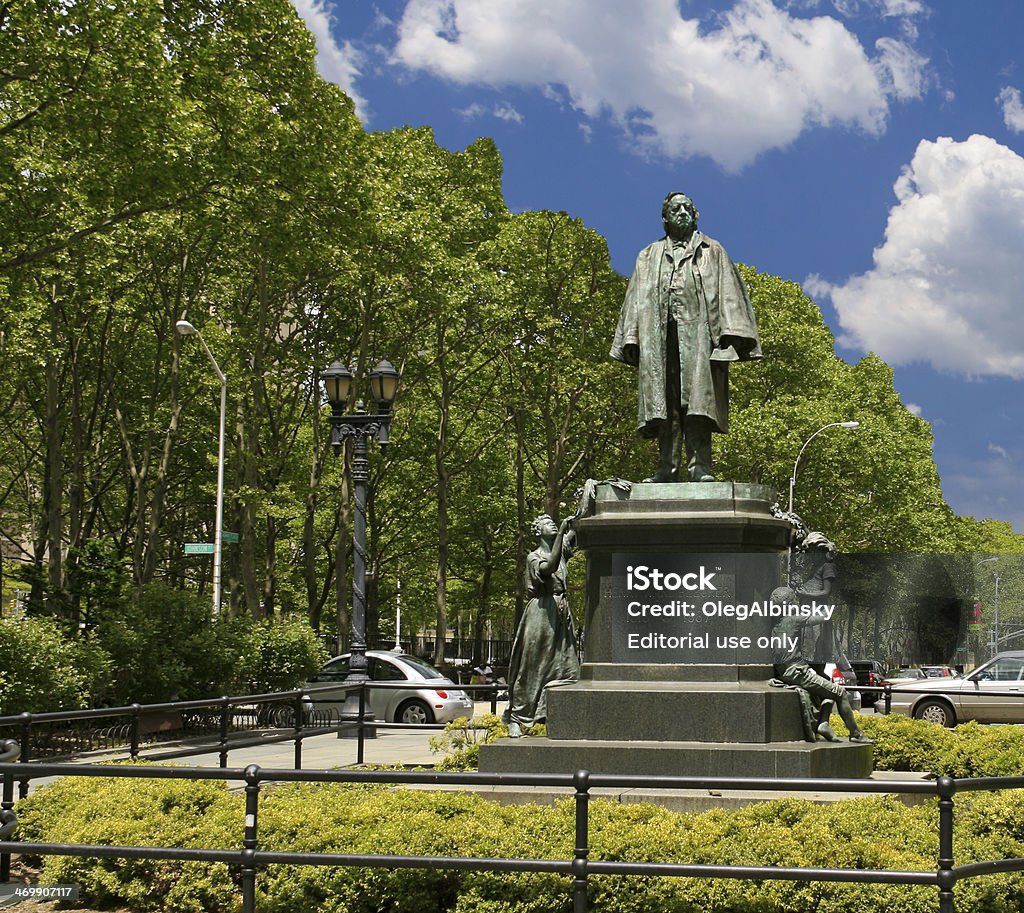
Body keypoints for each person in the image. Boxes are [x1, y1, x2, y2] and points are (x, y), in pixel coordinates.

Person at [610, 192, 761, 482]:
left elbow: (729, 293)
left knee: (697, 405)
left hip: (700, 338)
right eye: (675, 208)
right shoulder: (648, 255)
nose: (682, 212)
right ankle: (666, 469)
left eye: (687, 208)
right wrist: (631, 337)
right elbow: (634, 298)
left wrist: (730, 336)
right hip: (659, 338)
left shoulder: (712, 250)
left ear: (696, 214)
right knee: (664, 404)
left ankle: (700, 467)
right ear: (665, 218)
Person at [503, 514, 581, 738]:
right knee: (533, 667)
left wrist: (590, 491)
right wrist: (562, 534)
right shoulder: (533, 557)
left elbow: (577, 525)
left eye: (554, 523)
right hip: (541, 613)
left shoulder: (562, 548)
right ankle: (517, 717)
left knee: (569, 669)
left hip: (560, 613)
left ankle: (553, 715)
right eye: (548, 524)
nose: (554, 524)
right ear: (538, 532)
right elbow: (550, 567)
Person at [771, 586, 872, 744]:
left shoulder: (775, 623)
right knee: (840, 692)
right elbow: (823, 617)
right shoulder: (793, 619)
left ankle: (824, 724)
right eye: (795, 601)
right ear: (790, 604)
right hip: (797, 671)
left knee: (826, 685)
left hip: (787, 670)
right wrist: (825, 602)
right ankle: (856, 734)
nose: (797, 603)